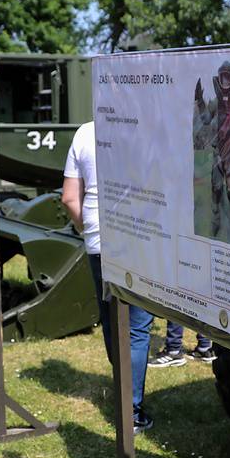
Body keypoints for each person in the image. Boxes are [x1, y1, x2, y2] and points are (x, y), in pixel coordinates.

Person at [60, 120, 152, 432]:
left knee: (113, 323)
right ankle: (132, 410)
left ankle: (125, 393)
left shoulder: (84, 132)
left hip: (98, 241)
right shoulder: (146, 127)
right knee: (137, 329)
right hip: (139, 239)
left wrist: (89, 231)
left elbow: (70, 198)